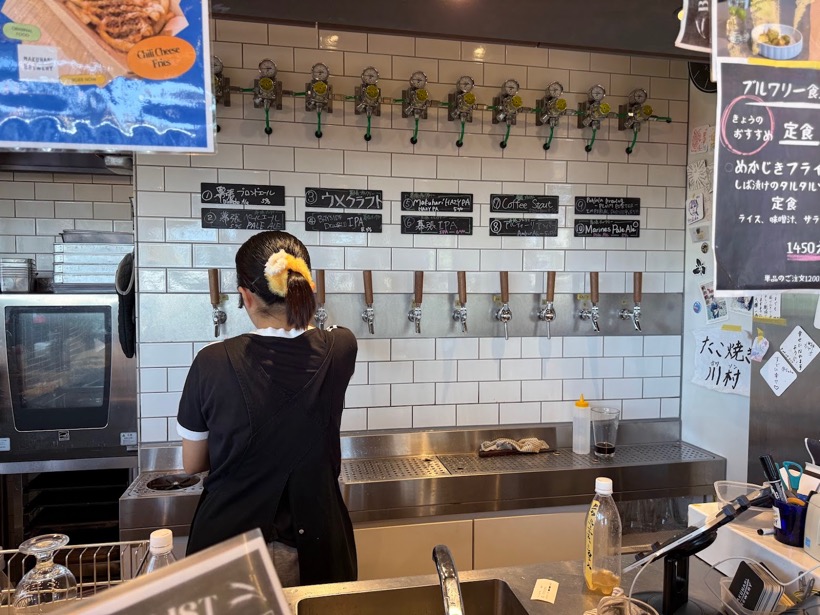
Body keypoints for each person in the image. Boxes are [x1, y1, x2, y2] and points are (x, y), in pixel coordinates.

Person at [176, 231, 358, 587]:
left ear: (246, 296)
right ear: (305, 286)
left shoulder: (211, 361)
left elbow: (193, 463)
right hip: (315, 549)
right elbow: (317, 334)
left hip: (230, 550)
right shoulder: (341, 348)